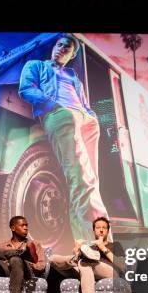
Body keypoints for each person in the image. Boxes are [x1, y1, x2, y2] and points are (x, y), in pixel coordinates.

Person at [19, 33, 108, 242]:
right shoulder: (37, 66)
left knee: (92, 181)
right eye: (59, 45)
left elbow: (83, 102)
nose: (61, 49)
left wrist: (91, 116)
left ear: (72, 54)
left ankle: (96, 243)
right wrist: (53, 105)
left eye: (67, 47)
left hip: (87, 121)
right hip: (61, 115)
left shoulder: (74, 78)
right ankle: (93, 245)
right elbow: (26, 89)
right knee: (81, 179)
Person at [49, 217, 125, 293]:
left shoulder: (115, 245)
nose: (101, 230)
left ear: (108, 231)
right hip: (87, 270)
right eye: (98, 228)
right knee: (53, 259)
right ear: (93, 230)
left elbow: (122, 266)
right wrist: (76, 251)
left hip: (110, 271)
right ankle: (76, 259)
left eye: (104, 228)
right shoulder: (90, 247)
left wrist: (102, 247)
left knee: (84, 262)